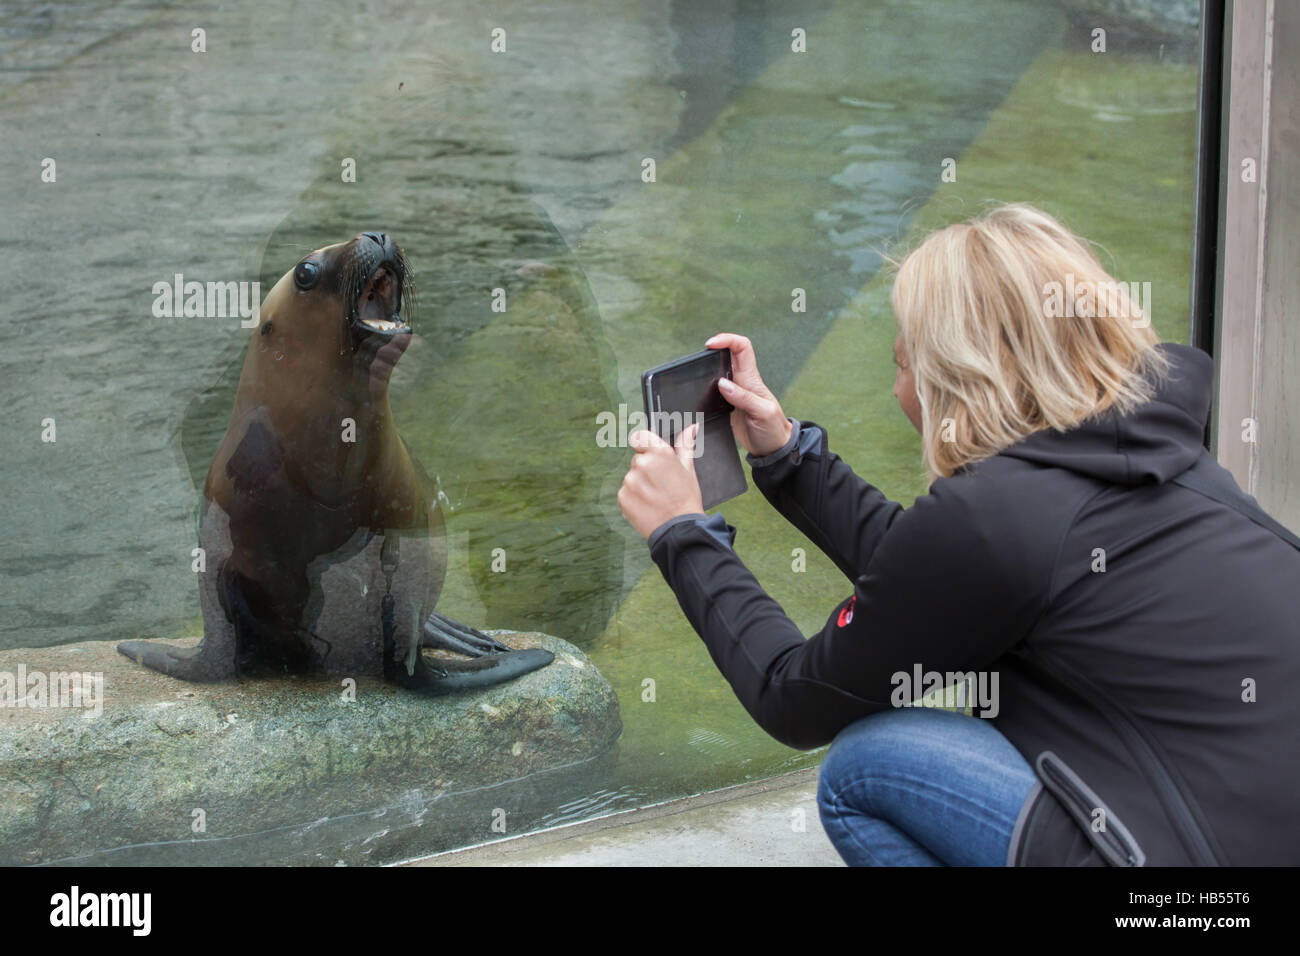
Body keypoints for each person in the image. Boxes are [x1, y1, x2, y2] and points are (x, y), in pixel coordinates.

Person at [617, 202, 1300, 866]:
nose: (897, 390)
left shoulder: (998, 522)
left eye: (904, 365)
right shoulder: (1168, 465)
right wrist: (787, 455)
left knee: (867, 766)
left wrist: (685, 534)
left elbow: (791, 697)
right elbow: (942, 579)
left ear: (958, 377)